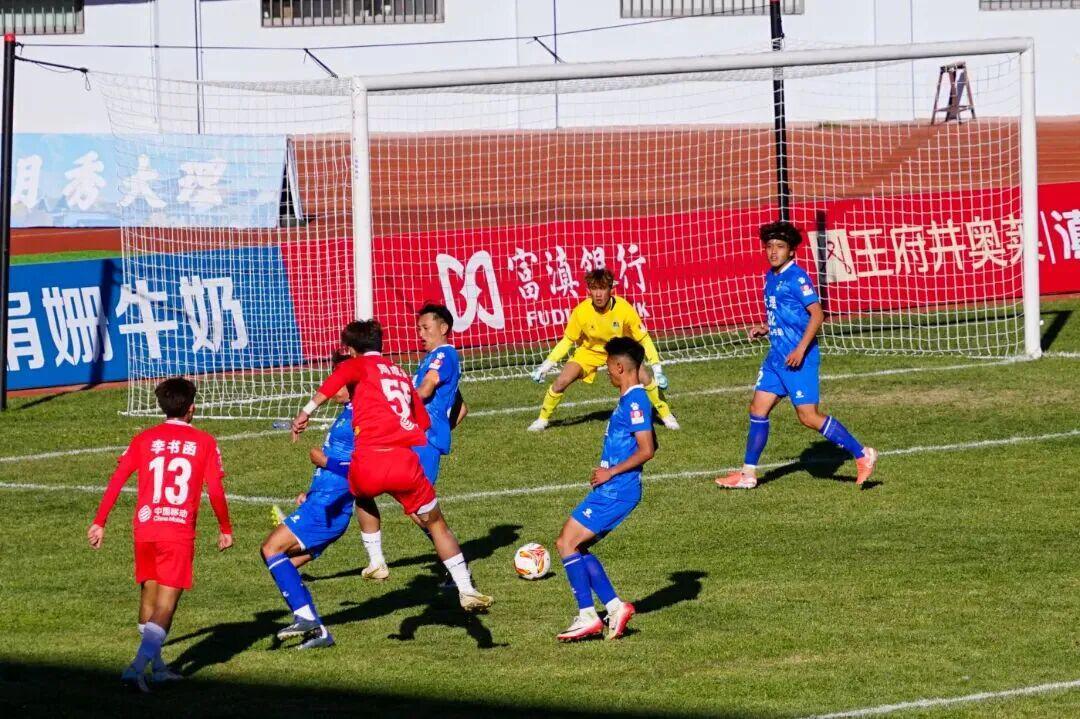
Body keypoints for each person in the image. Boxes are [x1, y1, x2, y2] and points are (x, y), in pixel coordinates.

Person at [291, 319, 493, 612]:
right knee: (436, 523)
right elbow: (421, 419)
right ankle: (467, 589)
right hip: (404, 461)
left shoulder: (357, 365)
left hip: (370, 461)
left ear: (353, 350)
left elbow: (333, 383)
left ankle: (376, 561)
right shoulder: (399, 373)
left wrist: (305, 413)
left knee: (361, 493)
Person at [88, 377, 233, 692]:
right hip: (176, 532)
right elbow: (215, 490)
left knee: (149, 596)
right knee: (166, 605)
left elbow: (117, 478)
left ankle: (158, 669)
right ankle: (136, 668)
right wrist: (225, 528)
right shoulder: (205, 442)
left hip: (145, 529)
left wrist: (100, 521)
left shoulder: (144, 439)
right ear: (191, 408)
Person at [715, 220, 877, 490]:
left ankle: (862, 454)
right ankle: (748, 474)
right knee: (757, 409)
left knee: (808, 417)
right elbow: (788, 315)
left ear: (791, 251)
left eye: (780, 246)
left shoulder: (797, 277)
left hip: (798, 359)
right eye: (769, 246)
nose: (773, 251)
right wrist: (767, 328)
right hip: (776, 358)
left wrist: (800, 349)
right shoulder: (772, 276)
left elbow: (817, 314)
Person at [352, 303, 467, 582]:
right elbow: (462, 408)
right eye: (418, 329)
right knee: (416, 506)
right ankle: (452, 566)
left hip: (422, 442)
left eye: (426, 328)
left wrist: (404, 408)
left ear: (444, 328)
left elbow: (425, 389)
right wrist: (441, 430)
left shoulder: (443, 355)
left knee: (422, 510)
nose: (420, 334)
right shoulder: (434, 359)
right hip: (420, 439)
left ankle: (456, 569)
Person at [554, 337, 655, 642]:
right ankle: (615, 607)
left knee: (566, 543)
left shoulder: (635, 401)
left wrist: (611, 471)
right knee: (576, 546)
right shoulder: (630, 400)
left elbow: (647, 449)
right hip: (611, 488)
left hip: (616, 490)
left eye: (608, 366)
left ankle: (587, 615)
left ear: (620, 367)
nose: (606, 371)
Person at [260, 351, 354, 650]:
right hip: (322, 502)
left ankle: (305, 618)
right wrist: (311, 492)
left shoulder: (363, 417)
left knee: (271, 548)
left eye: (338, 381)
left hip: (329, 508)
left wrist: (325, 461)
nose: (332, 387)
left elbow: (367, 468)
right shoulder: (348, 413)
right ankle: (319, 632)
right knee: (282, 564)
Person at [528, 268, 679, 432]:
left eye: (602, 288)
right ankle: (542, 420)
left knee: (644, 376)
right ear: (588, 291)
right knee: (561, 381)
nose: (598, 294)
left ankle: (666, 415)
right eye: (594, 289)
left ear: (611, 289)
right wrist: (545, 366)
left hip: (619, 350)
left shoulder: (624, 308)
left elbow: (644, 338)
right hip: (590, 351)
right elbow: (567, 341)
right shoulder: (581, 311)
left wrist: (657, 369)